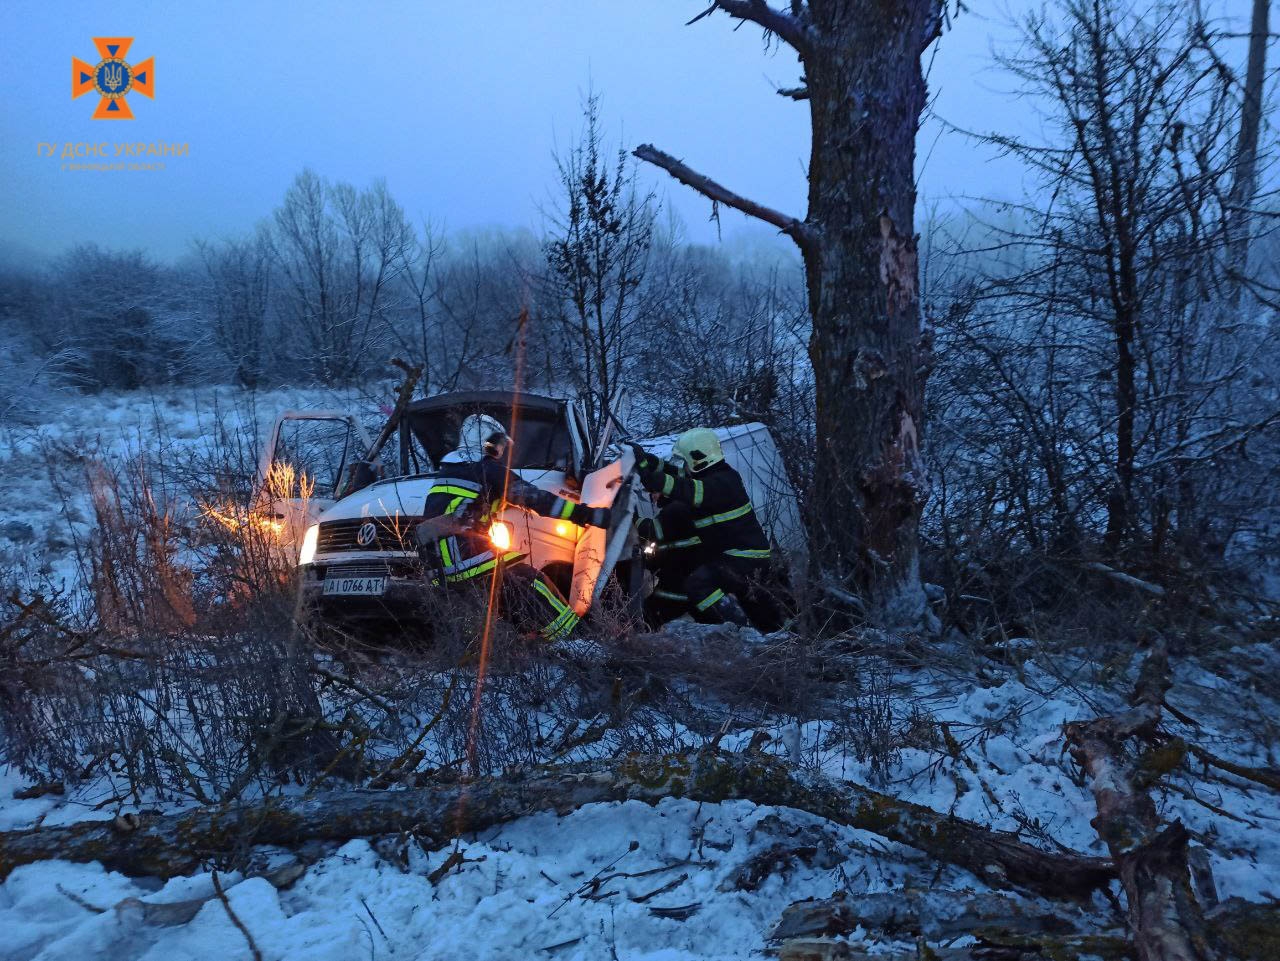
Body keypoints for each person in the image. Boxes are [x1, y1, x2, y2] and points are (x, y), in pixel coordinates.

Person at [415, 413, 610, 642]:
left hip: (436, 566)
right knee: (527, 580)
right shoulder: (487, 469)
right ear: (487, 441)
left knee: (499, 592)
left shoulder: (447, 471)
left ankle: (518, 643)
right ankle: (572, 641)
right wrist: (584, 513)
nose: (500, 450)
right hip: (463, 555)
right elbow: (534, 498)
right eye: (497, 443)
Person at [631, 428, 775, 628]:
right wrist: (649, 461)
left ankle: (738, 631)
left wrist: (651, 478)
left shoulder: (720, 483)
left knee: (698, 584)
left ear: (697, 459)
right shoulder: (716, 475)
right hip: (736, 555)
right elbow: (677, 473)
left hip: (745, 556)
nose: (684, 467)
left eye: (686, 461)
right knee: (758, 608)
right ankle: (759, 633)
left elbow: (685, 488)